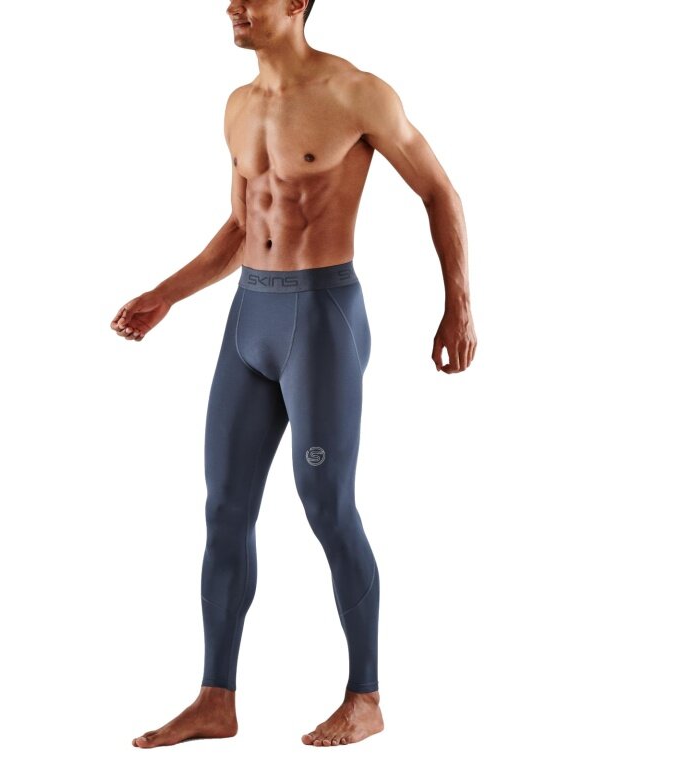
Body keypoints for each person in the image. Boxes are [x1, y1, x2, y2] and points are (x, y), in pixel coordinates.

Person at [110, 0, 476, 749]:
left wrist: (459, 307)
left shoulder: (357, 93)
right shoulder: (238, 105)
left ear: (299, 4)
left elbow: (440, 191)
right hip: (250, 316)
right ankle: (215, 699)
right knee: (224, 509)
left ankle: (366, 698)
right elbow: (243, 225)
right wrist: (166, 294)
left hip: (321, 320)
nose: (233, 6)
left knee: (326, 506)